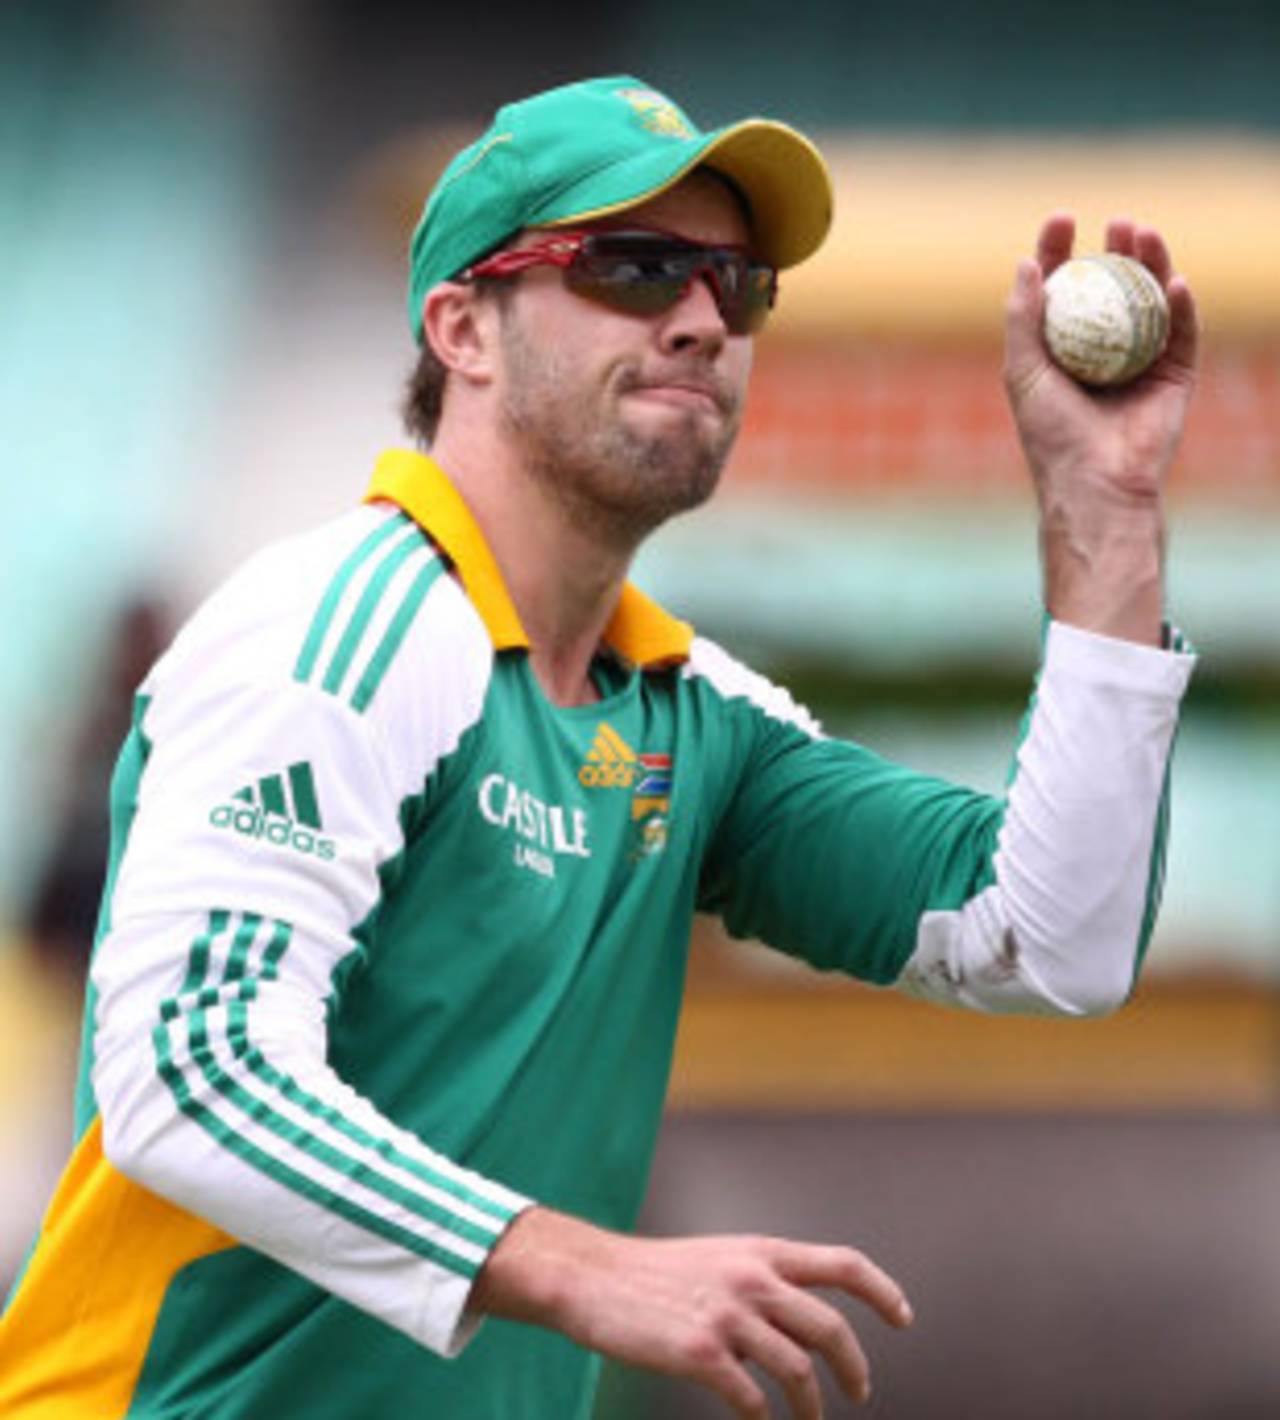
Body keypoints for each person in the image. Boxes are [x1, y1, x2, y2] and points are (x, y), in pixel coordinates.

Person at [0, 75, 1198, 1420]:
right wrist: (574, 1267)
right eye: (632, 268)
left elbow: (1051, 943)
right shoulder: (332, 631)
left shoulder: (691, 713)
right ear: (461, 327)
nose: (701, 320)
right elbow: (193, 1068)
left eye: (737, 286)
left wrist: (1109, 511)